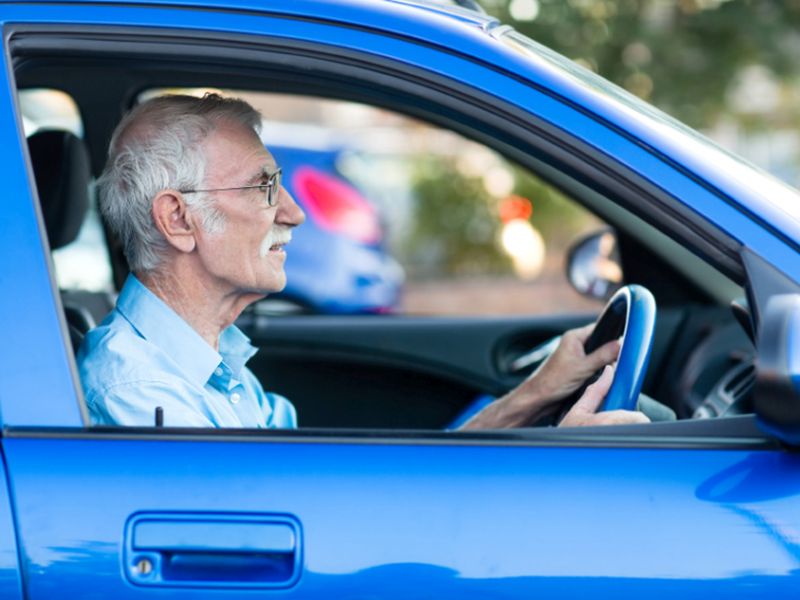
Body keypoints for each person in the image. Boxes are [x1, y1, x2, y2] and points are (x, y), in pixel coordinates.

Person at [78, 94, 648, 429]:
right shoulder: (143, 395)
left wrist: (534, 396)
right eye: (263, 187)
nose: (295, 214)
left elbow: (341, 508)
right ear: (178, 219)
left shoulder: (206, 365)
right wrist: (554, 469)